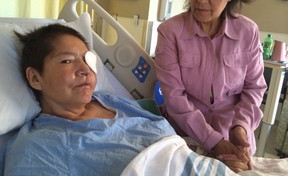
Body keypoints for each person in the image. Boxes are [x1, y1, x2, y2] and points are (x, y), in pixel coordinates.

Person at [0, 24, 176, 175]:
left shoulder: (108, 100)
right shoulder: (39, 148)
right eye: (67, 61)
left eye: (87, 59)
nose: (85, 69)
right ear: (35, 78)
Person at [154, 0, 267, 172]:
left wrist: (240, 128)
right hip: (185, 136)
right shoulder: (170, 32)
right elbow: (174, 96)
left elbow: (255, 87)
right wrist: (212, 141)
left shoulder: (247, 32)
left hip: (232, 138)